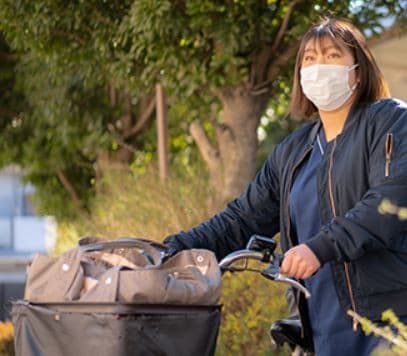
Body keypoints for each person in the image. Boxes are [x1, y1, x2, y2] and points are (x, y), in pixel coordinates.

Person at [164, 17, 407, 355]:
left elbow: (390, 200)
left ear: (359, 70)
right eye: (309, 59)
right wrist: (170, 251)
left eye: (333, 56)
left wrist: (319, 247)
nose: (319, 67)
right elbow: (240, 220)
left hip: (385, 324)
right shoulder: (293, 151)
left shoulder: (390, 120)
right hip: (318, 327)